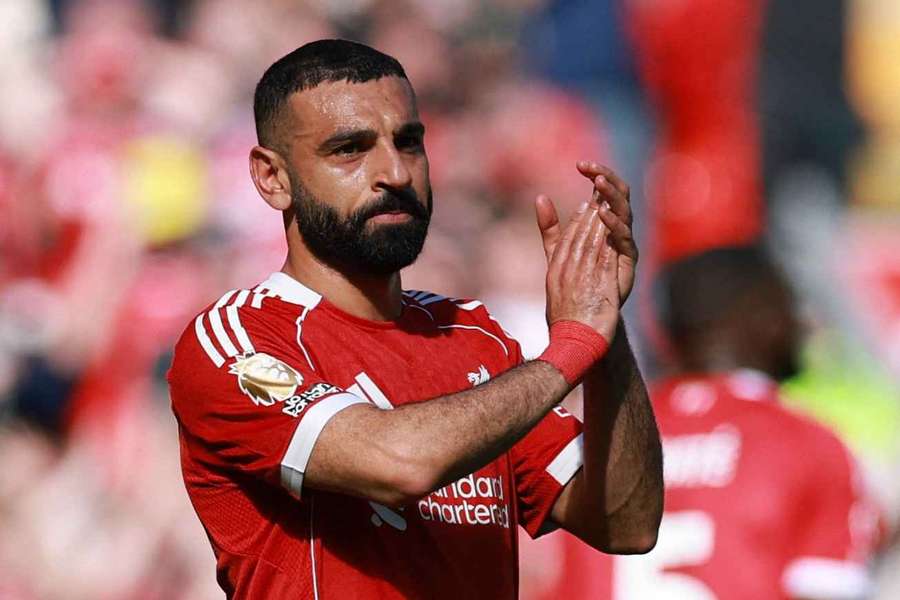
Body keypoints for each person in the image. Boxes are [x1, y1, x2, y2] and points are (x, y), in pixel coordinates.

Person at [167, 39, 663, 599]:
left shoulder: (474, 337)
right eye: (350, 149)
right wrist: (572, 346)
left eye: (409, 142)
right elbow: (398, 464)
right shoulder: (236, 340)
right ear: (273, 178)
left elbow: (626, 522)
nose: (395, 172)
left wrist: (605, 326)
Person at [520, 246, 880, 600]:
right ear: (764, 316)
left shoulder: (598, 434)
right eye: (791, 306)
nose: (803, 323)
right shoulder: (807, 443)